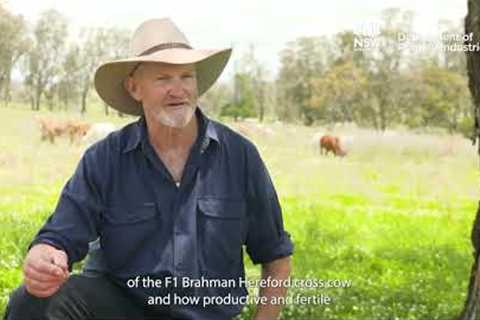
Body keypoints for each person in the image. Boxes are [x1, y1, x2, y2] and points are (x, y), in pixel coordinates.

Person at [4, 18, 293, 320]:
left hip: (205, 315)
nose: (178, 89)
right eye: (163, 78)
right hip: (119, 308)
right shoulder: (105, 158)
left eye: (186, 76)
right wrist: (45, 254)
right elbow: (61, 235)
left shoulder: (239, 156)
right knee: (33, 301)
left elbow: (276, 255)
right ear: (134, 87)